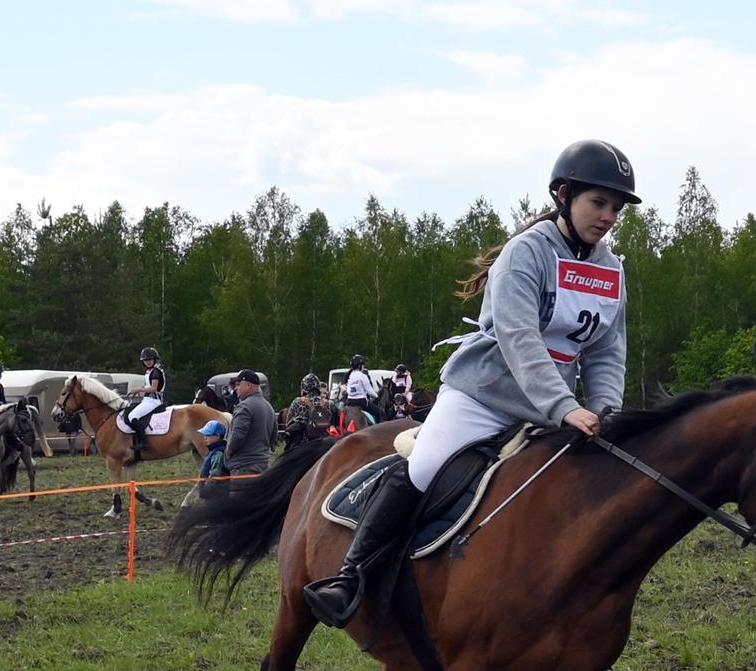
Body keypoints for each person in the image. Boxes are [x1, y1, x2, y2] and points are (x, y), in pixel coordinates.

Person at [305, 138, 639, 628]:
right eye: (599, 202)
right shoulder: (526, 253)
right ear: (564, 195)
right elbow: (520, 339)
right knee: (425, 466)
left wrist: (607, 411)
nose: (608, 216)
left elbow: (607, 351)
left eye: (616, 208)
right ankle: (350, 577)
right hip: (484, 397)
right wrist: (566, 407)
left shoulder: (611, 270)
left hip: (554, 407)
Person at [223, 369, 276, 476]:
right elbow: (274, 437)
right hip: (263, 465)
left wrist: (228, 451)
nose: (235, 388)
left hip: (244, 467)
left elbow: (237, 436)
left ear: (248, 385)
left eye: (238, 384)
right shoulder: (269, 407)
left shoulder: (244, 407)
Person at [124, 347, 167, 462]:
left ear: (154, 359)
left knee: (133, 416)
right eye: (145, 360)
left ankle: (144, 442)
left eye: (149, 360)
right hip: (148, 399)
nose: (147, 362)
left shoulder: (156, 372)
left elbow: (153, 388)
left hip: (154, 400)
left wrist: (138, 389)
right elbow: (148, 387)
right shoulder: (150, 371)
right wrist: (138, 390)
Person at [195, 418, 229, 497]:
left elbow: (215, 475)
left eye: (208, 435)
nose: (205, 437)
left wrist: (206, 490)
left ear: (217, 436)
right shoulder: (213, 450)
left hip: (216, 494)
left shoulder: (218, 454)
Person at [344, 354, 381, 423]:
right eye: (363, 365)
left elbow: (348, 390)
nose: (364, 367)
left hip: (349, 401)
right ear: (359, 366)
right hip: (361, 402)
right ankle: (379, 428)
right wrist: (377, 397)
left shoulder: (348, 376)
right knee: (379, 412)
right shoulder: (362, 376)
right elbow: (370, 392)